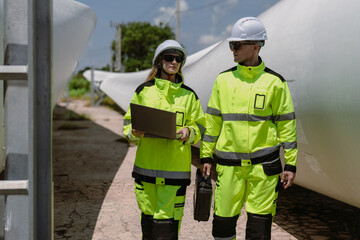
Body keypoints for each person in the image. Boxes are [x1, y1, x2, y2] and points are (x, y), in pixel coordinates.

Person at [200, 17, 298, 240]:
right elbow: (213, 123)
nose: (232, 50)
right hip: (229, 167)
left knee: (259, 230)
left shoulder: (275, 83)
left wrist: (291, 163)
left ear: (255, 46)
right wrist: (205, 155)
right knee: (222, 227)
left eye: (236, 45)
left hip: (264, 169)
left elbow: (287, 126)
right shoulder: (223, 80)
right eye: (230, 45)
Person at [123, 39, 205, 240]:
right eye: (169, 57)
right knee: (149, 227)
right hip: (146, 173)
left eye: (178, 59)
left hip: (174, 176)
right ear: (159, 61)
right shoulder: (143, 91)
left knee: (167, 230)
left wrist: (190, 132)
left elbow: (201, 126)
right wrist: (135, 131)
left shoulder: (189, 96)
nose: (174, 62)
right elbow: (127, 125)